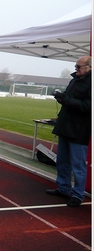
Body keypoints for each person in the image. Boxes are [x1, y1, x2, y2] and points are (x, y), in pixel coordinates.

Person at [46, 55, 92, 207]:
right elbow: (71, 99)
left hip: (79, 129)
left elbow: (87, 106)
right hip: (65, 125)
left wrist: (66, 100)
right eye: (76, 66)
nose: (76, 69)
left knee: (78, 165)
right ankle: (64, 188)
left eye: (79, 67)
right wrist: (61, 97)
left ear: (89, 67)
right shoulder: (74, 80)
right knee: (62, 160)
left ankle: (78, 194)